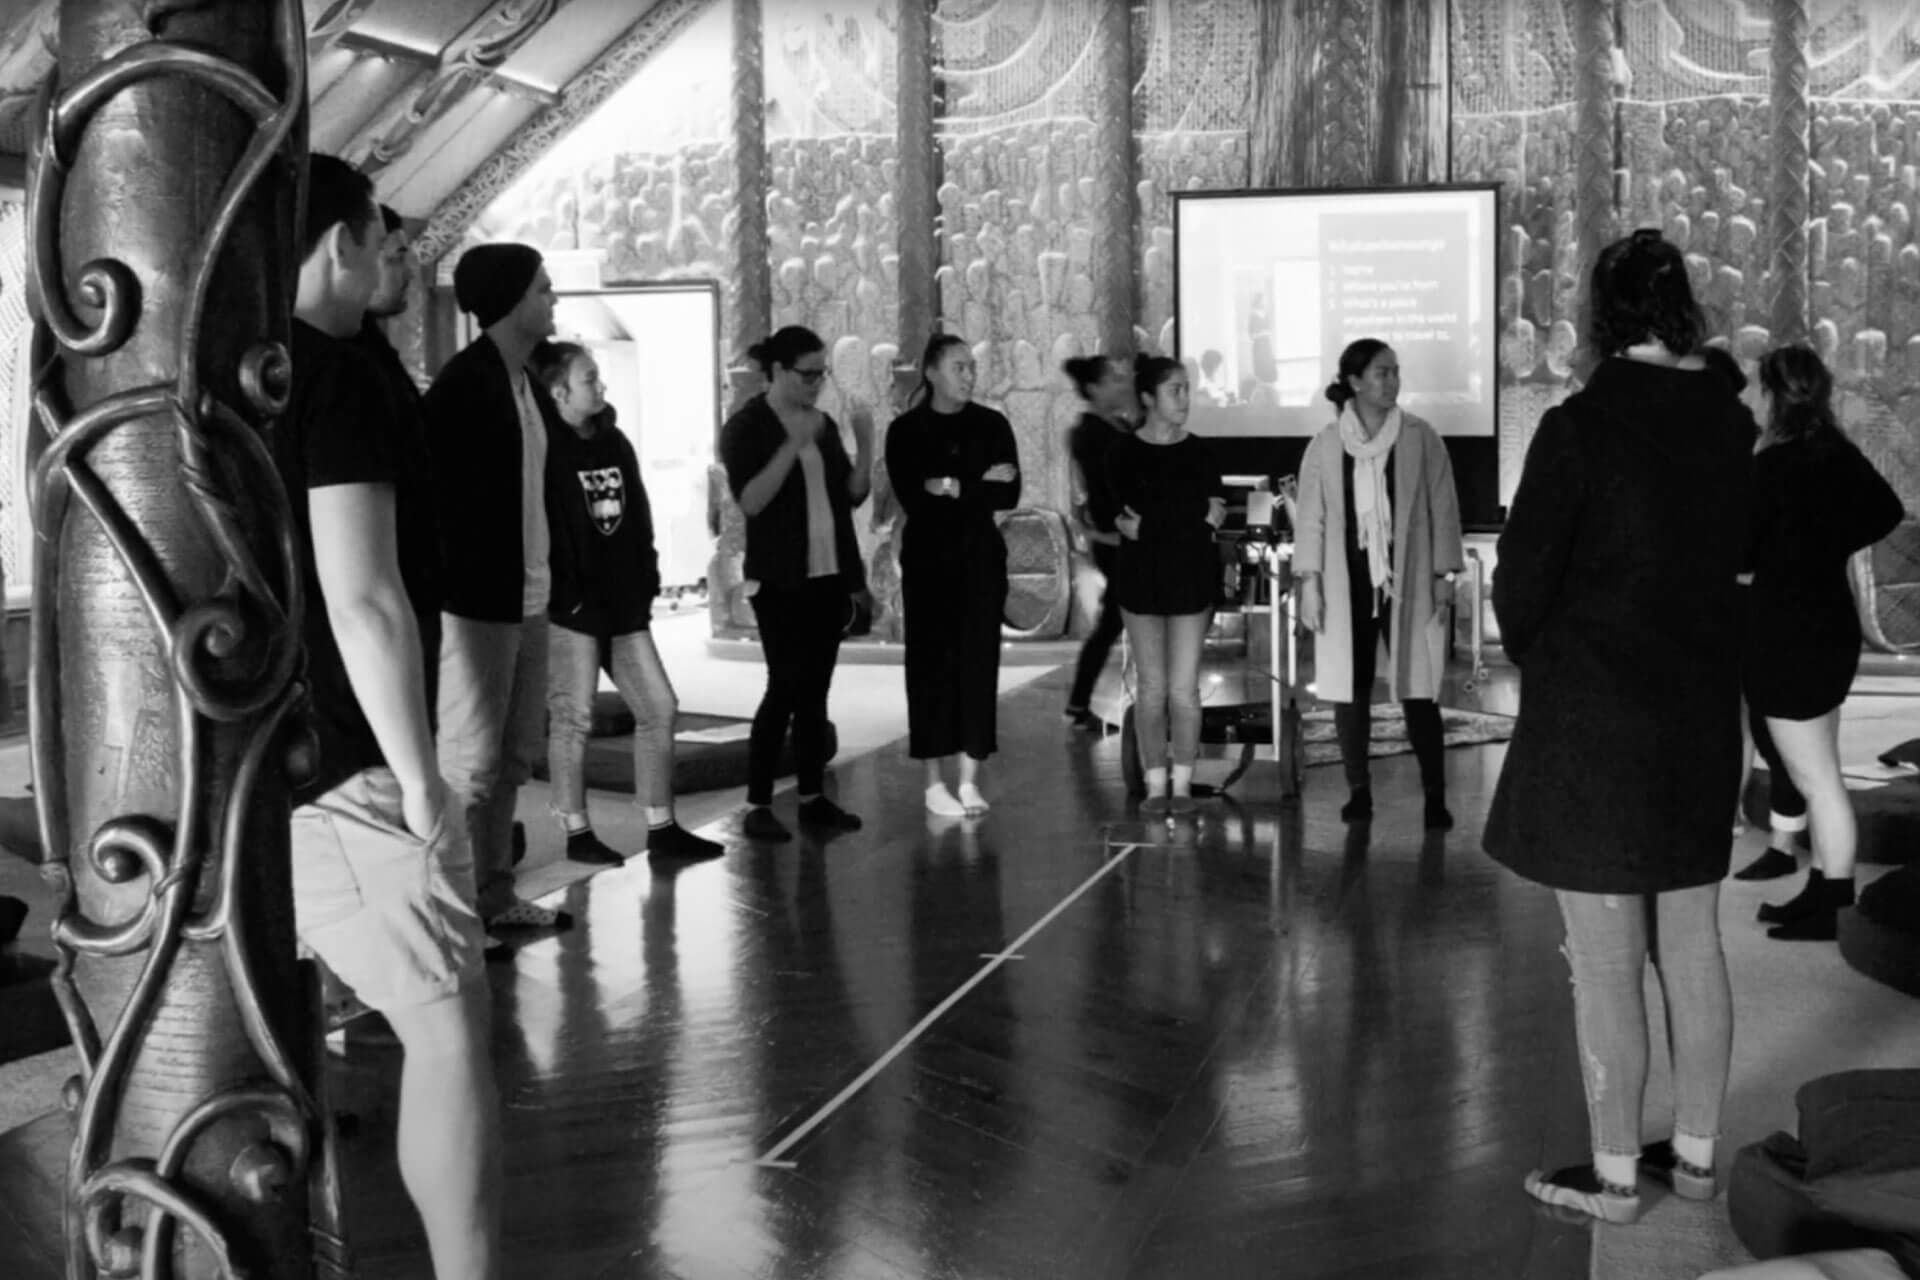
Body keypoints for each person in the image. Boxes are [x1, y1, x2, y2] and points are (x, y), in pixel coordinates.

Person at [1485, 228, 1753, 1224]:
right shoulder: (1732, 424)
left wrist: (1544, 651)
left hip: (1596, 722)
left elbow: (1521, 581)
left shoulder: (1579, 426)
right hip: (1699, 717)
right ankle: (1696, 1161)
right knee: (1694, 946)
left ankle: (1613, 1178)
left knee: (1603, 960)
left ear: (1602, 314)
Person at [277, 154, 501, 1280]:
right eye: (383, 238)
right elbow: (363, 599)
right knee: (449, 1031)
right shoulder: (337, 382)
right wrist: (419, 781)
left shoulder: (264, 370)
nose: (394, 257)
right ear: (340, 247)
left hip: (276, 751)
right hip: (345, 764)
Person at [534, 340, 726, 865]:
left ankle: (661, 825)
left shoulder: (613, 440)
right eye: (589, 379)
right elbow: (543, 525)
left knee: (658, 706)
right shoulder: (544, 447)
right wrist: (565, 594)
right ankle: (576, 830)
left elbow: (637, 511)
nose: (600, 386)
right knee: (573, 717)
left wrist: (646, 578)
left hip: (623, 604)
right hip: (573, 609)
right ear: (559, 391)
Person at [424, 242, 571, 931]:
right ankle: (451, 914)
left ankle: (494, 895)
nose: (552, 299)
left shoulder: (527, 384)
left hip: (528, 597)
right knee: (470, 766)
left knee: (514, 759)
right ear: (511, 300)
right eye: (542, 288)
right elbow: (444, 505)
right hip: (478, 603)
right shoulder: (465, 385)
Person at [1743, 344, 1903, 941]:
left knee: (1819, 781)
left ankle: (1835, 901)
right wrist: (1826, 545)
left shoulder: (1771, 466)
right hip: (1830, 620)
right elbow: (1886, 510)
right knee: (1821, 769)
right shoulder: (1836, 452)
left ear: (1772, 394)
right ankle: (1823, 888)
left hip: (1787, 630)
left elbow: (1741, 551)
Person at [1293, 338, 1465, 829]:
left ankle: (1435, 797)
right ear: (1354, 382)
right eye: (1381, 373)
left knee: (1419, 687)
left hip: (1407, 580)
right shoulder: (1326, 444)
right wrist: (1310, 583)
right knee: (1351, 688)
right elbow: (1311, 519)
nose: (1392, 382)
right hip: (1346, 582)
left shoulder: (1419, 436)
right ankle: (1359, 792)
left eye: (1395, 371)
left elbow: (1443, 507)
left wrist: (1444, 574)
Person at [719, 326, 872, 842]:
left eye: (821, 374)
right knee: (784, 686)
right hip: (779, 579)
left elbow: (852, 495)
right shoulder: (746, 427)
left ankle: (811, 797)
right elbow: (752, 501)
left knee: (815, 691)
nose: (816, 384)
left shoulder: (822, 423)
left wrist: (865, 441)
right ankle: (758, 803)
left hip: (827, 575)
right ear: (778, 371)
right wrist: (791, 445)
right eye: (807, 375)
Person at [884, 334, 1021, 816]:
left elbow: (1008, 493)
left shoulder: (991, 424)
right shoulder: (906, 431)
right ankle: (932, 782)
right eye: (958, 367)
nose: (968, 376)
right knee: (930, 668)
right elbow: (915, 497)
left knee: (978, 664)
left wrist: (951, 485)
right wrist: (976, 484)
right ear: (931, 372)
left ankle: (969, 777)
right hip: (928, 563)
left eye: (971, 367)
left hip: (980, 559)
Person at [1702, 346, 1814, 876]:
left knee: (1759, 721)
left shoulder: (1753, 447)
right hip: (1734, 595)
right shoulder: (1748, 441)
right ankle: (1735, 816)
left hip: (1750, 599)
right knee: (1741, 717)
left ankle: (1773, 833)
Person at [1108, 355, 1226, 815]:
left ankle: (1183, 785)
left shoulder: (1200, 452)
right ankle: (1155, 785)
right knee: (1152, 687)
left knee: (1183, 689)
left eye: (1186, 388)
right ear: (1148, 397)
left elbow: (1213, 517)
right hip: (1141, 583)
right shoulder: (1123, 452)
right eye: (1175, 389)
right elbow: (1122, 518)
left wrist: (1157, 525)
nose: (1185, 398)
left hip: (1191, 582)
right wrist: (1187, 520)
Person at [1061, 354, 1135, 730]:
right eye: (1114, 380)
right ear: (1093, 389)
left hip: (1121, 537)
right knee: (1112, 623)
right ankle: (1078, 704)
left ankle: (1079, 705)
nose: (1123, 386)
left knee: (1112, 622)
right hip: (1115, 540)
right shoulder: (1092, 434)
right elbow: (1107, 491)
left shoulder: (1116, 426)